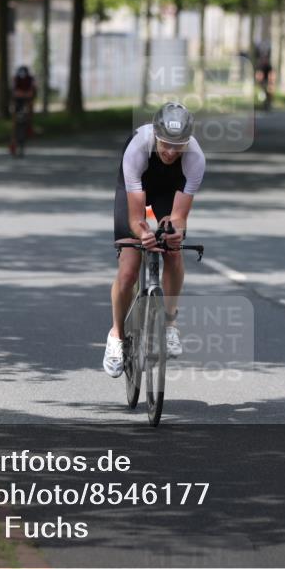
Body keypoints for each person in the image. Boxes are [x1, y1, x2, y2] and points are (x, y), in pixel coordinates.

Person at [103, 102, 206, 377]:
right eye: (166, 144)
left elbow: (179, 216)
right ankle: (116, 335)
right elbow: (137, 216)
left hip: (168, 192)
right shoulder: (138, 148)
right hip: (135, 188)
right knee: (128, 270)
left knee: (173, 249)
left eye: (179, 145)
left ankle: (170, 324)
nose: (172, 152)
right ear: (156, 136)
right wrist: (144, 233)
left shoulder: (195, 158)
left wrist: (172, 230)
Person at [11, 66, 37, 154]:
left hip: (27, 100)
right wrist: (21, 94)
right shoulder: (16, 79)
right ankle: (14, 137)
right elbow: (13, 92)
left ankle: (30, 126)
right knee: (15, 118)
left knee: (30, 110)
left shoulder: (31, 79)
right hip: (18, 101)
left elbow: (33, 91)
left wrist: (28, 95)